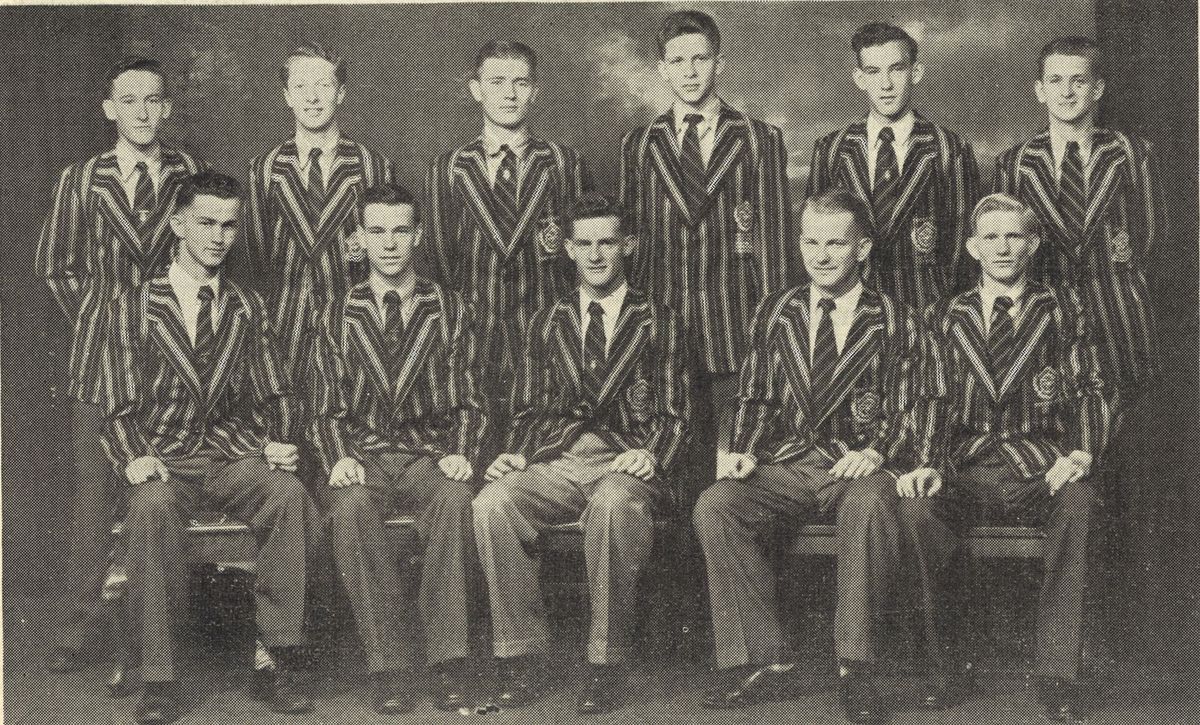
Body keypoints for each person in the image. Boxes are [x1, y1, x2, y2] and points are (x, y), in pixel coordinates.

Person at [99, 172, 319, 723]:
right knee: (152, 507)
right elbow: (116, 402)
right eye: (206, 223)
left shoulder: (247, 306)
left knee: (289, 494)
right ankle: (160, 677)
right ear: (177, 224)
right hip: (163, 458)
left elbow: (275, 390)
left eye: (229, 225)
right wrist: (134, 455)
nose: (219, 237)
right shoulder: (133, 305)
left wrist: (277, 443)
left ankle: (277, 658)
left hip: (228, 456)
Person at [694, 189, 916, 724]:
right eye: (811, 243)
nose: (821, 256)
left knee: (870, 504)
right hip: (788, 463)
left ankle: (855, 667)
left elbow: (914, 403)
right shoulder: (777, 310)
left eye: (836, 244)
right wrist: (743, 451)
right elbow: (754, 394)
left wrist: (877, 451)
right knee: (716, 505)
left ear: (862, 249)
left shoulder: (895, 317)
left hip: (854, 466)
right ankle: (767, 660)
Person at [897, 193, 1112, 722]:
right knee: (918, 511)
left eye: (1014, 236)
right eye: (990, 237)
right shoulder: (943, 315)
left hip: (1038, 466)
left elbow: (1090, 387)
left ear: (1033, 244)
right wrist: (927, 460)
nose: (1002, 247)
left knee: (1080, 503)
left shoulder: (1063, 308)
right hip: (964, 466)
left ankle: (1058, 673)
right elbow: (929, 395)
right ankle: (951, 666)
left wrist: (1080, 452)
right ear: (972, 248)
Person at [472, 193, 690, 714]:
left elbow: (678, 413)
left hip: (626, 460)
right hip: (560, 459)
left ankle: (605, 662)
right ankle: (523, 655)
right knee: (492, 502)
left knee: (614, 504)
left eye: (607, 243)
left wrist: (652, 454)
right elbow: (526, 407)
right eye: (585, 244)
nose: (596, 255)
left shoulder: (659, 319)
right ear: (567, 249)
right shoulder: (546, 321)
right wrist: (516, 454)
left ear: (628, 246)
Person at [35, 55, 205, 673]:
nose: (142, 111)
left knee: (154, 485)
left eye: (153, 100)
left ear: (167, 108)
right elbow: (55, 265)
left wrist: (161, 320)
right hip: (99, 357)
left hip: (169, 357)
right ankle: (79, 628)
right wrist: (105, 318)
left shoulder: (187, 172)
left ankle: (155, 631)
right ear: (110, 109)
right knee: (94, 493)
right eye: (129, 100)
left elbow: (198, 255)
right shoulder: (82, 179)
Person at [311, 183, 487, 714]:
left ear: (418, 236)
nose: (389, 243)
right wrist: (338, 456)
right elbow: (322, 404)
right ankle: (388, 665)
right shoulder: (335, 312)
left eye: (400, 231)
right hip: (361, 455)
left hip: (426, 454)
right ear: (359, 239)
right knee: (350, 507)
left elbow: (471, 397)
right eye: (377, 231)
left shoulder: (450, 308)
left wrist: (460, 449)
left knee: (455, 499)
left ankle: (447, 661)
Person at [619, 9, 792, 501]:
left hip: (736, 328)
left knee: (736, 472)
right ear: (662, 69)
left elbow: (775, 247)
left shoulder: (759, 139)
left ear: (720, 63)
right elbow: (631, 250)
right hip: (665, 331)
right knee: (671, 472)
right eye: (678, 61)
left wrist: (770, 331)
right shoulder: (639, 145)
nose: (690, 71)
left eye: (700, 59)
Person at [426, 40, 589, 451]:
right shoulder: (448, 168)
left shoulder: (564, 163)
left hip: (544, 340)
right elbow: (441, 260)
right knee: (473, 455)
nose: (509, 94)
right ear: (476, 89)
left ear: (535, 90)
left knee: (533, 458)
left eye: (521, 82)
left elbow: (580, 260)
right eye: (497, 82)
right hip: (473, 338)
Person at [993, 36, 1161, 420]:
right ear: (1040, 90)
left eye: (1078, 81)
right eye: (1055, 81)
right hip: (1046, 317)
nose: (1066, 92)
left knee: (1129, 431)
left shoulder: (1132, 154)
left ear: (1097, 89)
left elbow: (1153, 238)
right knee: (1055, 427)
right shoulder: (1014, 164)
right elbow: (1005, 250)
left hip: (1118, 316)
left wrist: (1121, 281)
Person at [244, 42, 395, 403]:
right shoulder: (264, 169)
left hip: (352, 327)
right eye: (300, 87)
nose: (312, 98)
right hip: (284, 327)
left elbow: (386, 256)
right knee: (286, 425)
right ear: (287, 96)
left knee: (349, 425)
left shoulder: (372, 166)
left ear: (341, 93)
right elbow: (256, 257)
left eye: (324, 86)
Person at [807, 22, 979, 311]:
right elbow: (816, 237)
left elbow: (965, 252)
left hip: (926, 312)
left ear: (916, 73)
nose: (885, 84)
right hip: (852, 313)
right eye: (873, 72)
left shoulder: (950, 149)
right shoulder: (831, 149)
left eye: (896, 69)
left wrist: (944, 314)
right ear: (859, 78)